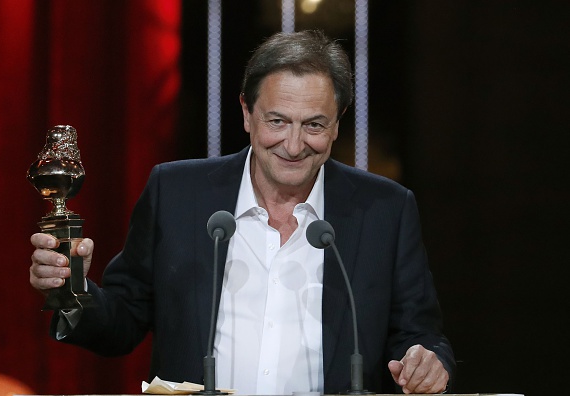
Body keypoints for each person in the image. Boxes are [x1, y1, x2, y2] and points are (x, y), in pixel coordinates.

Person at [30, 30, 455, 394]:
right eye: (277, 121)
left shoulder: (385, 209)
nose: (293, 145)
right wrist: (74, 288)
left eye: (314, 125)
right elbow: (124, 319)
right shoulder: (177, 193)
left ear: (337, 124)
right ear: (246, 113)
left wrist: (427, 361)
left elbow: (420, 334)